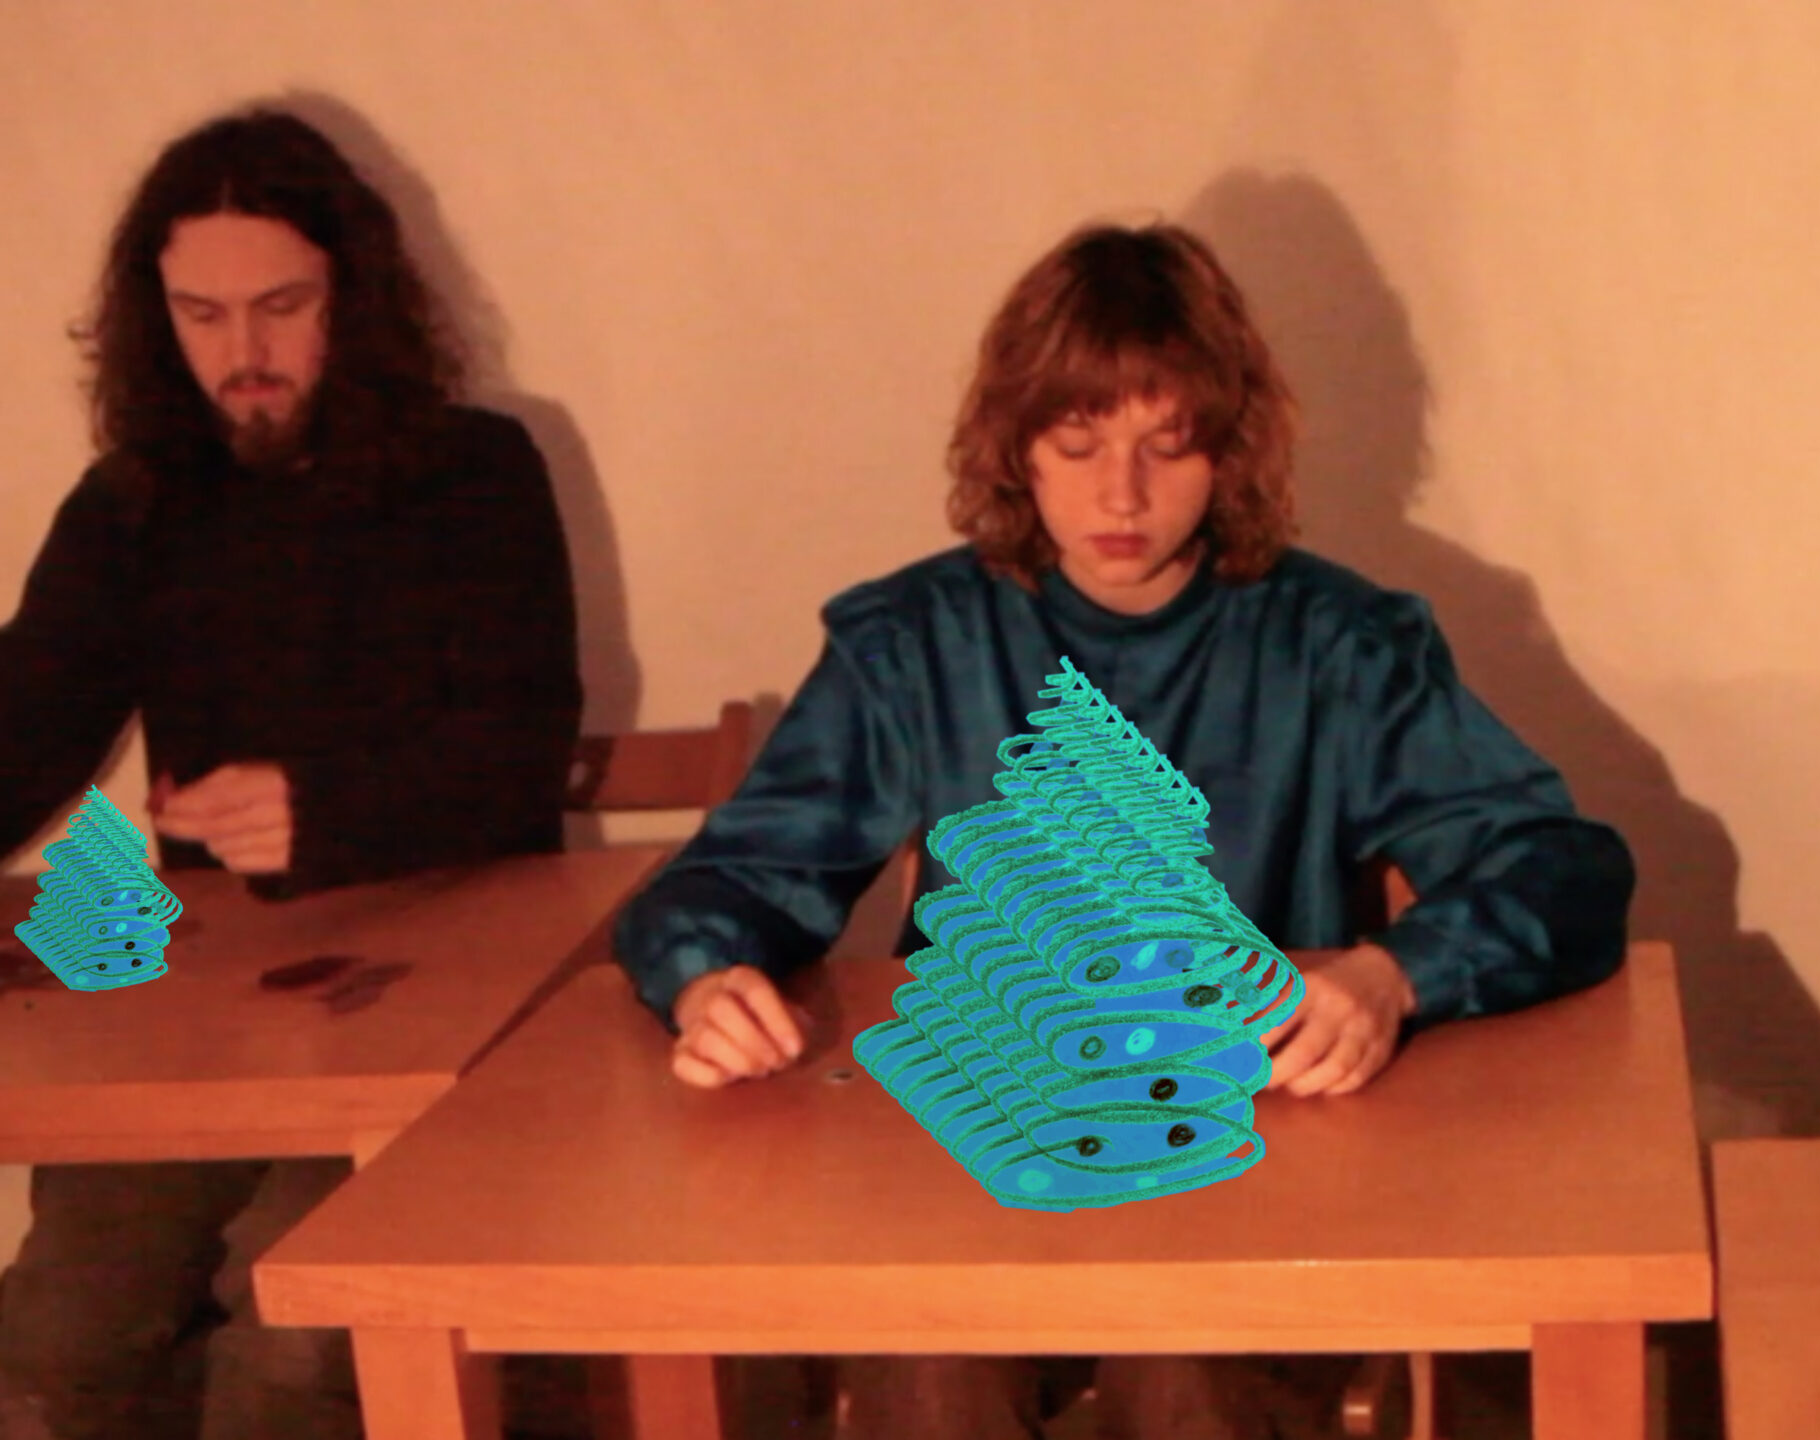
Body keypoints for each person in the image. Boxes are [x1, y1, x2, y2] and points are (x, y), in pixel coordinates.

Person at [611, 220, 1635, 1439]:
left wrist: (1393, 975)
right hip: (979, 1161)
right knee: (931, 1373)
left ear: (1230, 451)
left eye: (1168, 446)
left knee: (1184, 1376)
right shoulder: (918, 642)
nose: (1121, 496)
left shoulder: (1337, 645)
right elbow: (734, 877)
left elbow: (1563, 867)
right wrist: (707, 979)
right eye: (1079, 443)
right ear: (1017, 450)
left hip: (1251, 1156)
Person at [0, 108, 582, 1439]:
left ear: (351, 298)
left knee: (294, 1330)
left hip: (454, 1009)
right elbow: (24, 724)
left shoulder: (478, 471)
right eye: (201, 315)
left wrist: (326, 811)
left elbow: (520, 742)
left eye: (281, 307)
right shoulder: (136, 500)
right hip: (215, 1018)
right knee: (50, 1339)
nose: (243, 354)